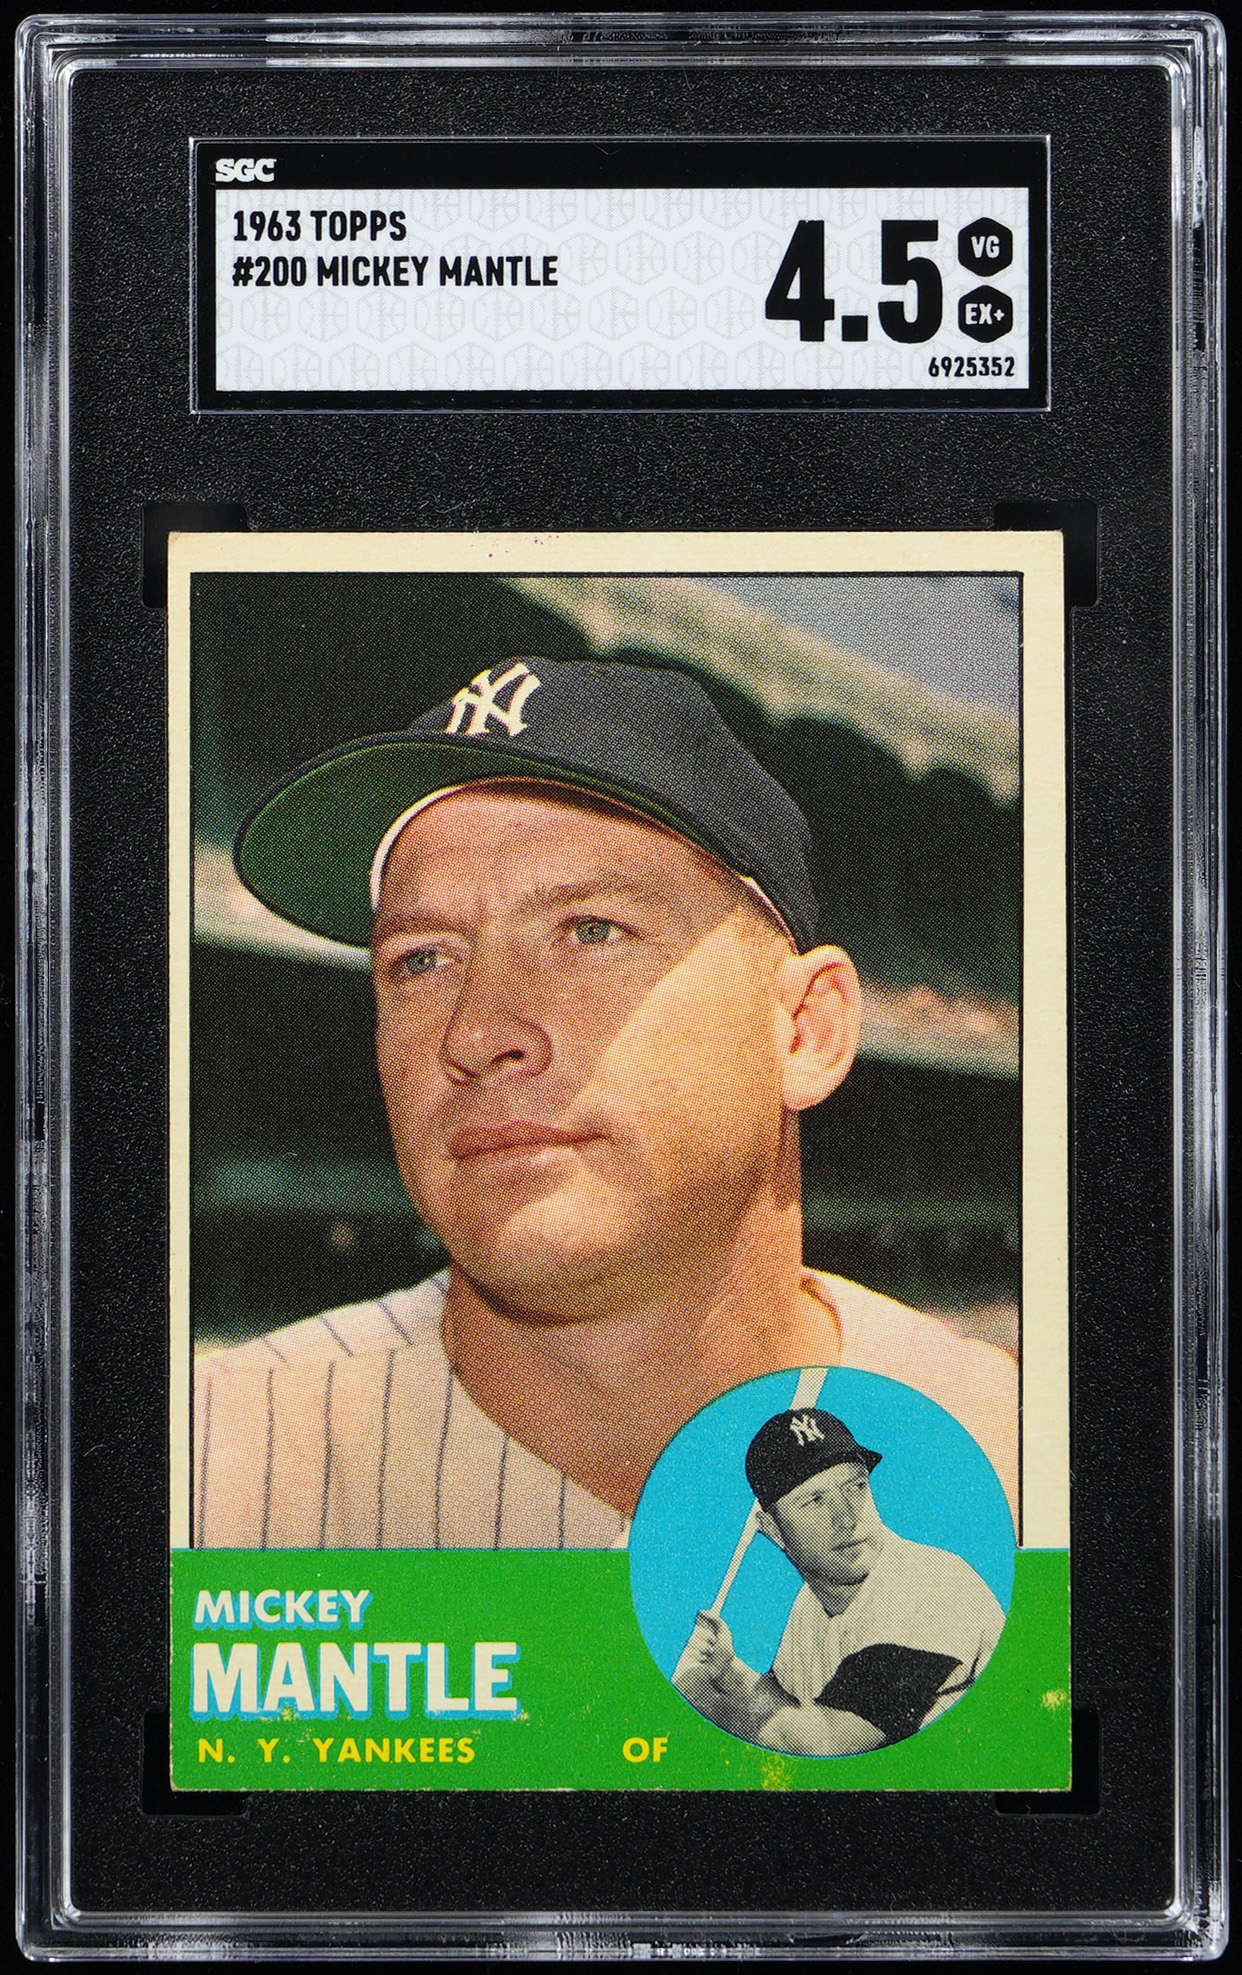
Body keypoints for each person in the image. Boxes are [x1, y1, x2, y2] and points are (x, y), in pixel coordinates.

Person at [193, 654, 1017, 1549]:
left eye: (592, 930)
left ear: (803, 1031)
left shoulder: (1019, 1459)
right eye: (421, 958)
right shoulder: (199, 1473)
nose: (476, 1031)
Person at [673, 1407, 1006, 1753]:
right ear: (774, 1530)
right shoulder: (813, 1603)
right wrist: (730, 1672)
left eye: (856, 1487)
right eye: (815, 1500)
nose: (848, 1517)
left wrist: (696, 1695)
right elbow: (791, 1706)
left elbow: (824, 1742)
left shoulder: (931, 1586)